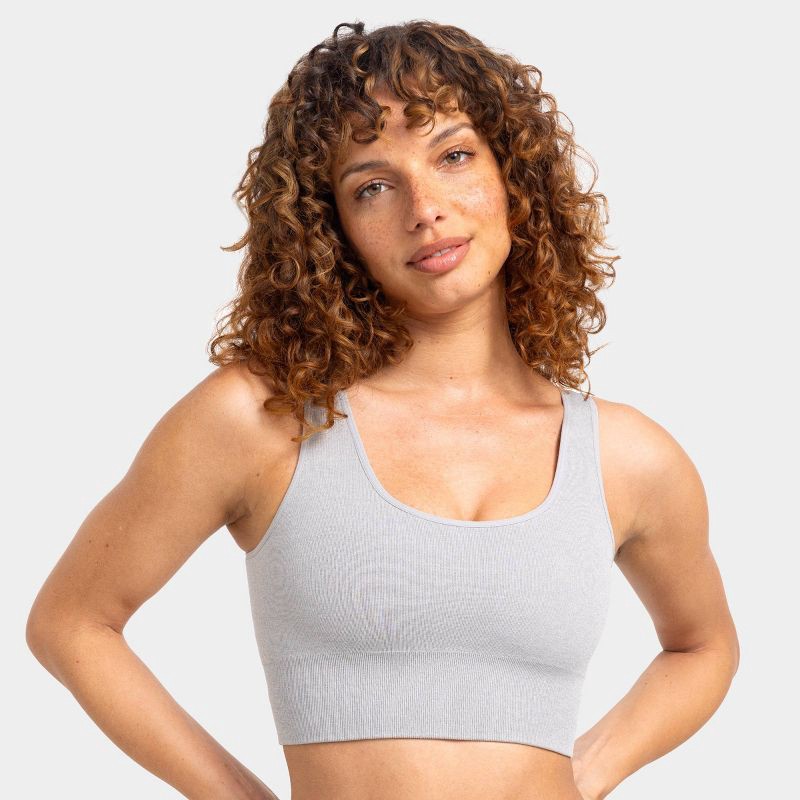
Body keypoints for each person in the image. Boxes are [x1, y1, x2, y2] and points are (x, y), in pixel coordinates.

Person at [25, 19, 739, 800]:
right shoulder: (266, 420)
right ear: (331, 229)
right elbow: (72, 622)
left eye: (454, 156)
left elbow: (703, 647)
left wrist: (585, 771)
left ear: (515, 176)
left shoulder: (626, 457)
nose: (424, 209)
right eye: (372, 186)